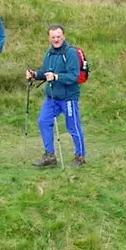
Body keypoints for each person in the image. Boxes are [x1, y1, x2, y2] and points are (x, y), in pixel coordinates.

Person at [25, 23, 86, 168]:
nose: (56, 39)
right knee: (43, 121)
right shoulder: (49, 53)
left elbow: (73, 76)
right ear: (49, 38)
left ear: (63, 36)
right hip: (52, 97)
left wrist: (56, 77)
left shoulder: (70, 53)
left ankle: (80, 157)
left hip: (68, 97)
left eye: (58, 36)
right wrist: (34, 74)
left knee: (73, 126)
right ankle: (49, 157)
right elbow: (45, 72)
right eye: (53, 37)